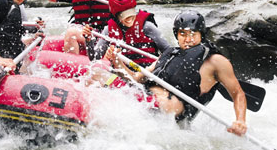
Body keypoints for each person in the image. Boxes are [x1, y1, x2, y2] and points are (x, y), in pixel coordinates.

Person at [106, 11, 248, 136]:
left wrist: (240, 120)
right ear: (176, 34)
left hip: (167, 115)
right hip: (145, 103)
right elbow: (136, 78)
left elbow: (238, 94)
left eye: (193, 34)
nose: (188, 39)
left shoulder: (215, 61)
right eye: (183, 34)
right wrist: (118, 61)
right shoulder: (168, 54)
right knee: (101, 77)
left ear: (201, 35)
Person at [82, 0, 169, 67]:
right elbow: (94, 58)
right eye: (124, 15)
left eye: (131, 13)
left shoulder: (147, 27)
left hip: (148, 73)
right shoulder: (108, 30)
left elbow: (168, 51)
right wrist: (89, 40)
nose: (130, 18)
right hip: (123, 75)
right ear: (116, 16)